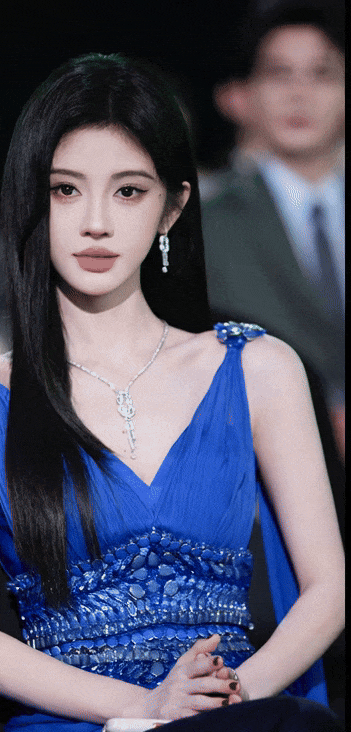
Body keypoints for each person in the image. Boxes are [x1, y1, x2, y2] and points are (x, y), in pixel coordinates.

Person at [0, 53, 344, 732]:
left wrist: (228, 698)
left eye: (129, 191)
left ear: (172, 208)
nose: (96, 221)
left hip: (242, 727)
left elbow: (330, 588)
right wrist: (148, 708)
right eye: (65, 190)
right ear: (30, 203)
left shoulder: (259, 368)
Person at [201, 6, 345, 460]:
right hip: (264, 461)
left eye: (322, 74)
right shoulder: (205, 223)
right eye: (279, 74)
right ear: (242, 95)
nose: (300, 94)